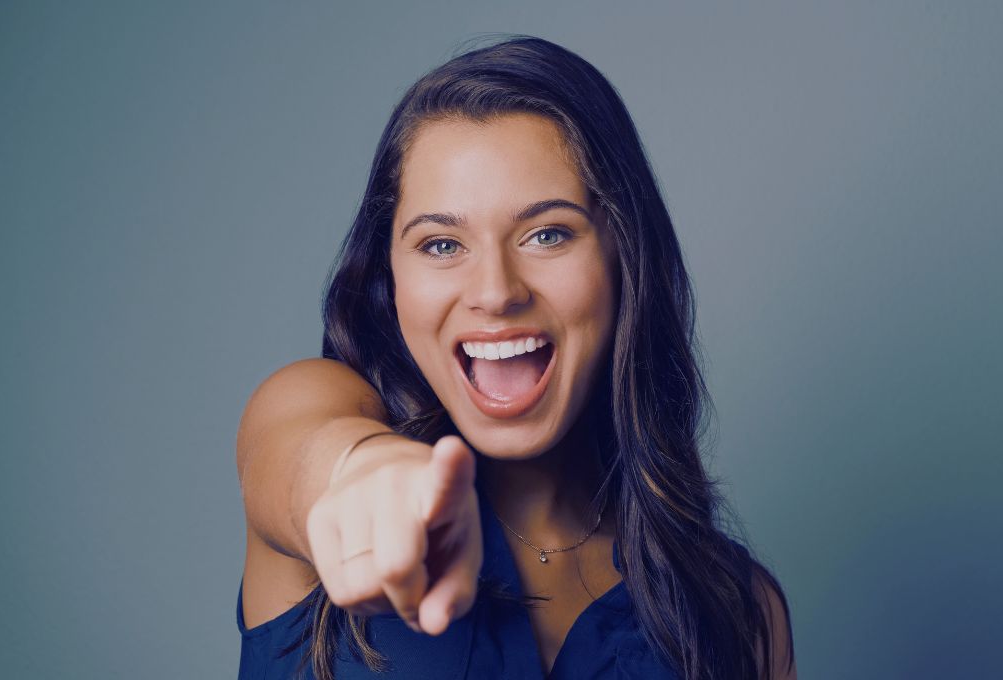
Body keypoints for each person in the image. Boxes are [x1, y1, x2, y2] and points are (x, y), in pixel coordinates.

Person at [236, 35, 796, 680]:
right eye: (441, 245)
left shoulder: (738, 608)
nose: (496, 292)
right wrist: (366, 474)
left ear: (623, 255)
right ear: (391, 275)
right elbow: (305, 454)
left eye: (547, 233)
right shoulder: (307, 402)